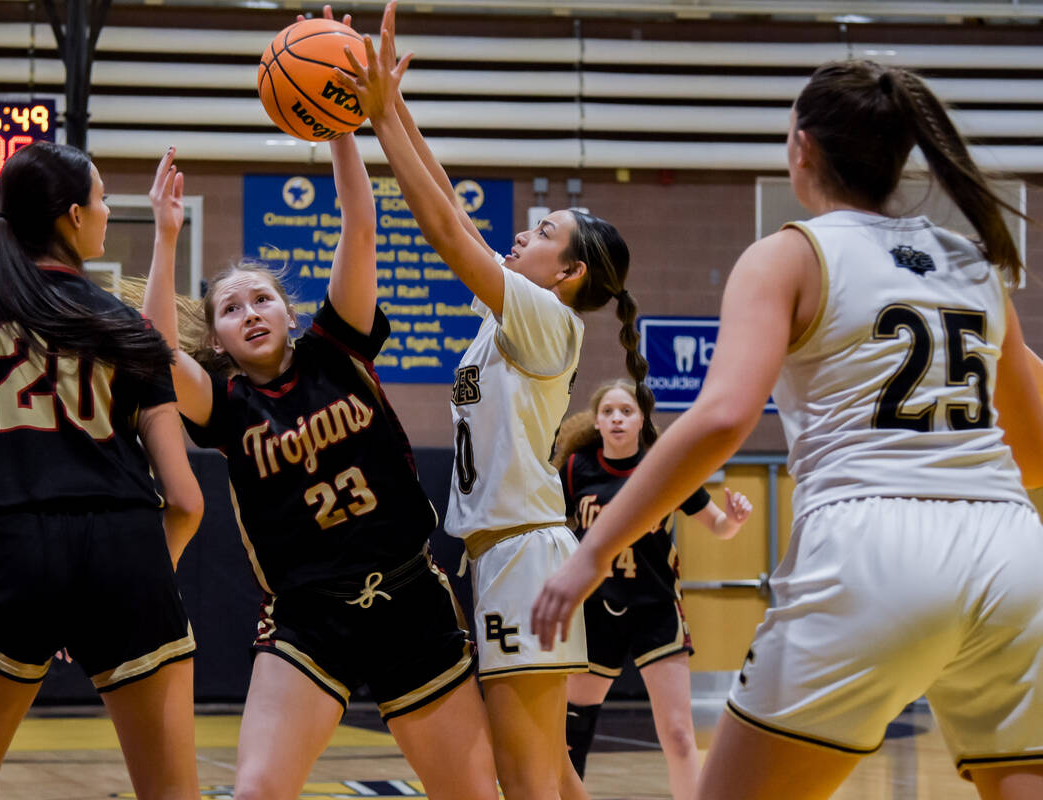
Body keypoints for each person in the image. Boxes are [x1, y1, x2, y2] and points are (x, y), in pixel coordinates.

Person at [533, 60, 1043, 800]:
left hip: (871, 547)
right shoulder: (974, 266)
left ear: (800, 147)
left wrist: (592, 554)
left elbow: (723, 418)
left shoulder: (787, 253)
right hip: (1012, 549)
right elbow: (1032, 449)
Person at [141, 17, 498, 797]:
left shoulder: (337, 349)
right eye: (232, 310)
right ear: (223, 341)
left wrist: (342, 125)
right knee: (259, 790)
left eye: (262, 297)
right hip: (308, 615)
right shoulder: (226, 402)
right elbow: (154, 357)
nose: (251, 312)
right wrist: (166, 238)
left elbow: (360, 226)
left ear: (290, 311)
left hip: (409, 593)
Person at [336, 7, 654, 798]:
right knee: (548, 777)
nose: (521, 234)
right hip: (502, 556)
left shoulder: (546, 322)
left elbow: (446, 231)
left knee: (525, 783)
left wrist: (379, 122)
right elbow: (451, 204)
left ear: (568, 272)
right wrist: (394, 110)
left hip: (522, 553)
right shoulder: (512, 312)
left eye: (543, 230)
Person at [0, 141, 204, 800]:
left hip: (5, 550)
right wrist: (120, 582)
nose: (109, 212)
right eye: (103, 198)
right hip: (125, 545)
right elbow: (187, 500)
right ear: (72, 217)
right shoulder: (128, 327)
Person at [553, 380, 751, 798]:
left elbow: (717, 525)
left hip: (656, 608)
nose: (617, 419)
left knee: (679, 734)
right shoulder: (575, 470)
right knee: (573, 730)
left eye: (626, 411)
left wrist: (733, 519)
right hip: (596, 610)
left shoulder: (666, 467)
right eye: (608, 412)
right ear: (597, 421)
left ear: (641, 419)